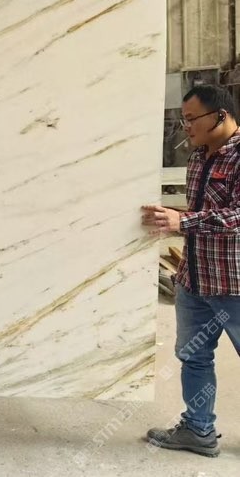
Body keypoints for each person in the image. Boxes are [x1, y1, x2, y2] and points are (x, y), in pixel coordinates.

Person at [142, 84, 240, 458]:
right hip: (194, 279)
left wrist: (183, 221)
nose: (186, 127)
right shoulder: (198, 157)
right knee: (194, 357)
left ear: (220, 115)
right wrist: (173, 218)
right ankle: (198, 429)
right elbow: (202, 212)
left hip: (233, 283)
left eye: (191, 119)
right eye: (183, 119)